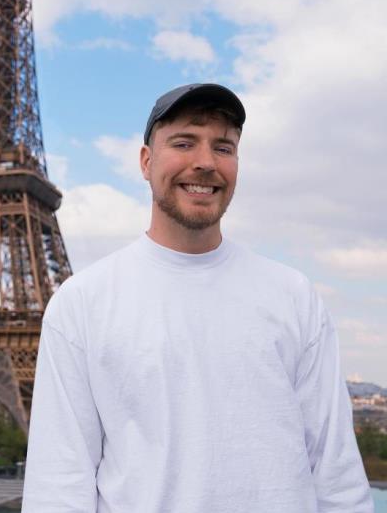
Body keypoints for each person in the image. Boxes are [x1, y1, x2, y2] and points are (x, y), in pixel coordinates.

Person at [21, 83, 373, 513]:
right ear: (146, 161)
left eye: (223, 147)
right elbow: (58, 487)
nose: (206, 162)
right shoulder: (80, 306)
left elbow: (336, 475)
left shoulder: (296, 298)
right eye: (185, 142)